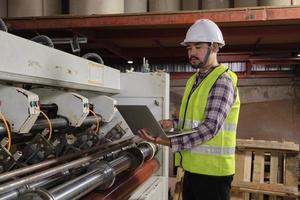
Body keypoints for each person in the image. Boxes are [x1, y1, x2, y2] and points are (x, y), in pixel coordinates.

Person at [138, 19, 240, 200]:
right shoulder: (193, 80)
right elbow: (191, 120)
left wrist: (167, 142)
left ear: (215, 47)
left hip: (213, 174)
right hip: (193, 168)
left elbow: (210, 128)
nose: (192, 52)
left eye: (198, 47)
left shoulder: (222, 81)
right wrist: (172, 123)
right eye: (188, 48)